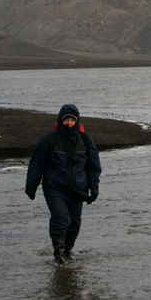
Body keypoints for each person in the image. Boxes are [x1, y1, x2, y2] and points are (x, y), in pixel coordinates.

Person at [25, 104, 101, 265]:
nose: (69, 124)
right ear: (60, 120)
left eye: (72, 120)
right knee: (61, 219)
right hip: (55, 188)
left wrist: (94, 187)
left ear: (77, 121)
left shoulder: (86, 140)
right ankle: (58, 254)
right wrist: (31, 187)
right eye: (66, 120)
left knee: (74, 223)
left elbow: (94, 166)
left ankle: (67, 250)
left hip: (78, 190)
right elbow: (36, 164)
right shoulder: (50, 139)